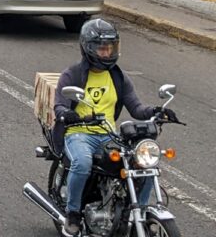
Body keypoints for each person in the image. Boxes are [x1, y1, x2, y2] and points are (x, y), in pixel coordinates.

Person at [54, 19, 178, 237]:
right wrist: (66, 113)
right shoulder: (72, 74)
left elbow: (137, 108)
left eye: (110, 48)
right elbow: (60, 104)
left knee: (144, 163)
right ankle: (73, 213)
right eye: (102, 48)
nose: (107, 53)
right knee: (82, 162)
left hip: (107, 134)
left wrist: (157, 111)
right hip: (79, 134)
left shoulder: (118, 77)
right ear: (88, 48)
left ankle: (136, 212)